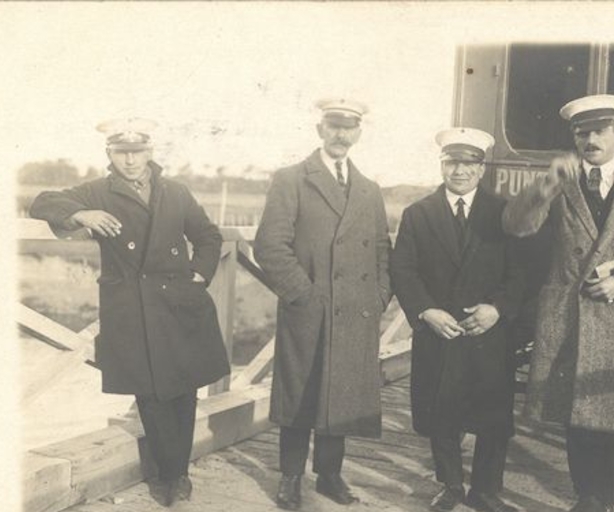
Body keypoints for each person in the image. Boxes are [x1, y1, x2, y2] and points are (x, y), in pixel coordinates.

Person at [29, 118, 231, 507]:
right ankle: (168, 475)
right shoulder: (98, 192)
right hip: (132, 309)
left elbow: (208, 236)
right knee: (150, 392)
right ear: (109, 154)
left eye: (137, 152)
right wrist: (80, 216)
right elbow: (42, 201)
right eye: (122, 152)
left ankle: (180, 471)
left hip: (180, 302)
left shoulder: (175, 191)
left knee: (184, 388)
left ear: (150, 153)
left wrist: (199, 275)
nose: (131, 160)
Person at [501, 95, 614, 512]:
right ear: (574, 139)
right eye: (582, 133)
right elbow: (516, 226)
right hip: (571, 314)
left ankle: (606, 501)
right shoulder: (559, 183)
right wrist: (544, 185)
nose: (591, 139)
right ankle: (588, 498)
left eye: (600, 131)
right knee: (577, 416)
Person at [254, 98, 392, 511]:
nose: (341, 135)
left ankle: (330, 476)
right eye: (333, 126)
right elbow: (270, 245)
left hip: (354, 310)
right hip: (309, 309)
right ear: (320, 129)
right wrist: (303, 294)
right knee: (300, 394)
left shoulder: (369, 189)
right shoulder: (292, 179)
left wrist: (379, 295)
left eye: (349, 128)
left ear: (359, 134)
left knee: (342, 396)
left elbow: (383, 248)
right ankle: (291, 477)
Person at [390, 128, 524, 512]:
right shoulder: (418, 213)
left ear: (482, 169)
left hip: (488, 332)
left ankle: (485, 490)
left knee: (493, 413)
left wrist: (496, 309)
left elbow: (520, 274)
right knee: (441, 409)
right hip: (439, 330)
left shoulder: (504, 213)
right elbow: (403, 270)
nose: (460, 171)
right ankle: (450, 484)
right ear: (442, 165)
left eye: (469, 163)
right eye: (452, 162)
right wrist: (426, 311)